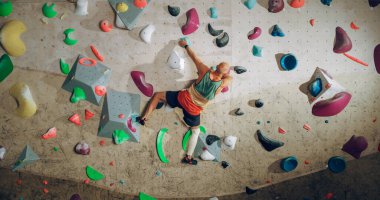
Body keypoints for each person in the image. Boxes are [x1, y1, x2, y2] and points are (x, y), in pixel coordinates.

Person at [138, 39, 233, 165]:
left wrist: (186, 45)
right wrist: (222, 74)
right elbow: (229, 77)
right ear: (225, 73)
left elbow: (193, 56)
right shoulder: (223, 83)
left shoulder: (204, 70)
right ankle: (188, 157)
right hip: (193, 110)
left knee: (158, 95)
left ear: (216, 66)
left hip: (182, 98)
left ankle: (144, 117)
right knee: (195, 131)